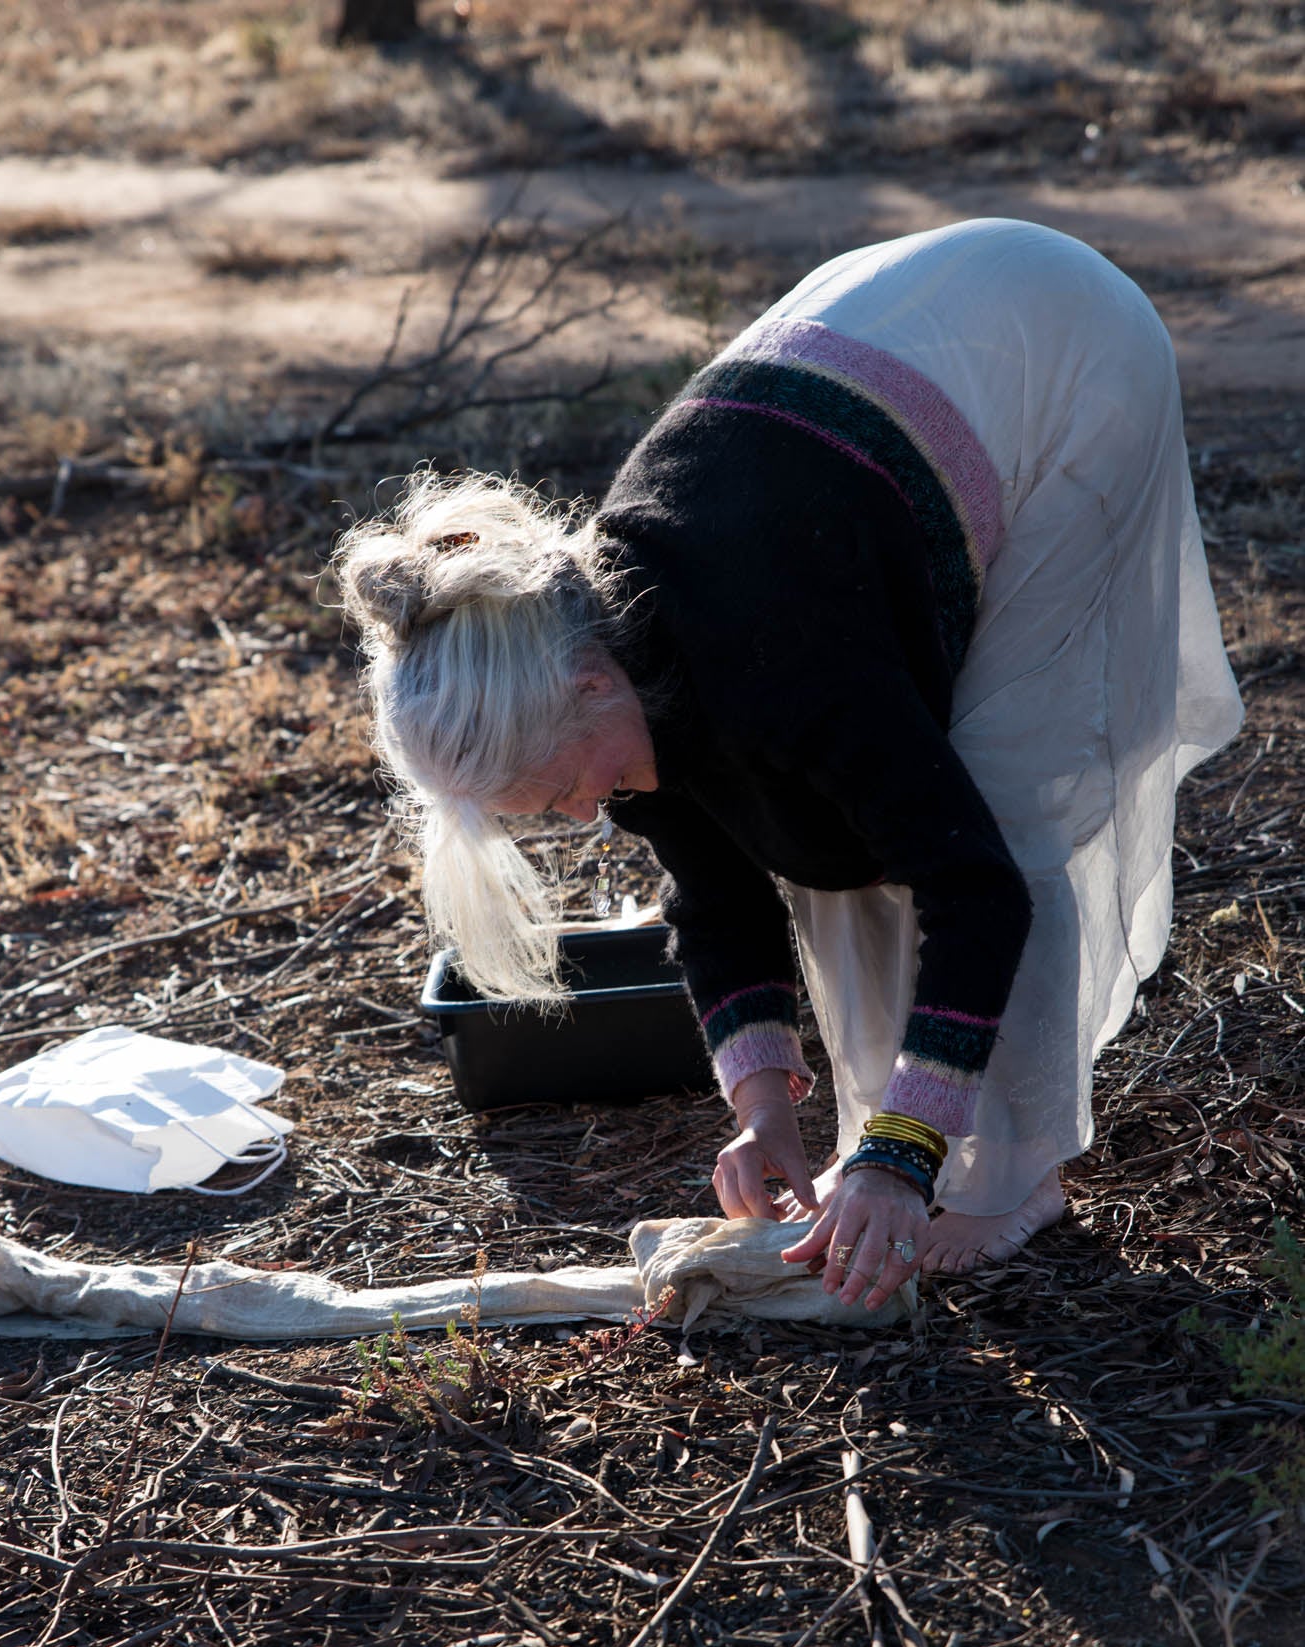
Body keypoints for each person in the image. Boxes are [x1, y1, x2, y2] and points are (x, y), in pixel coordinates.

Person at [334, 217, 1243, 1314]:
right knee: (849, 823)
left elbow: (974, 885)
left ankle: (1011, 1174)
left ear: (588, 687)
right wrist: (762, 1100)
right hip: (895, 358)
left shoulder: (779, 656)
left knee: (992, 794)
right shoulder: (604, 654)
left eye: (559, 788)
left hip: (1058, 349)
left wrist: (903, 1151)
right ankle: (900, 1145)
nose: (581, 814)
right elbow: (713, 888)